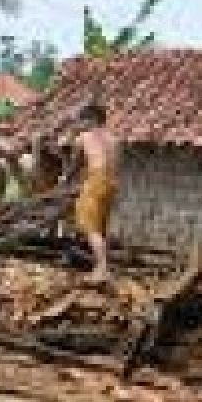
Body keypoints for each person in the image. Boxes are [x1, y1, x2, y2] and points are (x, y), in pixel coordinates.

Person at [72, 102, 121, 284]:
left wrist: (66, 178)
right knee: (101, 228)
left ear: (91, 119)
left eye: (81, 120)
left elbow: (74, 165)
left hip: (96, 181)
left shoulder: (84, 137)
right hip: (112, 183)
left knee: (91, 227)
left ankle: (103, 270)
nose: (79, 124)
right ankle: (100, 267)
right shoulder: (113, 139)